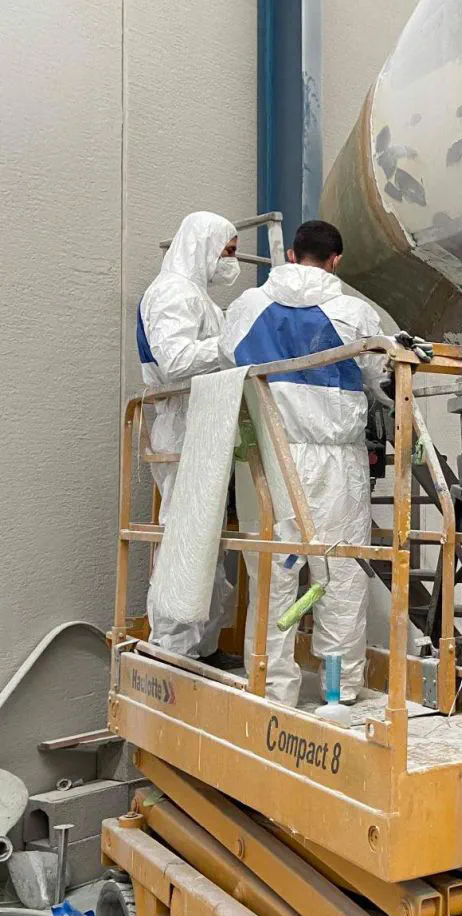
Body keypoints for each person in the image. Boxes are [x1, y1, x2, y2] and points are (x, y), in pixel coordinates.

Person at [220, 219, 390, 706]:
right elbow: (380, 379)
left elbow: (223, 360)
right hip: (335, 461)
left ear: (291, 255)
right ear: (336, 260)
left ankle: (274, 689)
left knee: (273, 575)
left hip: (266, 457)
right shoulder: (354, 314)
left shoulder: (248, 306)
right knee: (338, 573)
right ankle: (341, 689)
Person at [139, 211, 241, 663]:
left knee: (207, 543)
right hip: (182, 426)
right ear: (204, 244)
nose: (231, 262)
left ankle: (201, 646)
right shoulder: (171, 293)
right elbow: (176, 360)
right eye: (228, 251)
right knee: (185, 539)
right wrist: (235, 342)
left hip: (205, 423)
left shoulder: (198, 297)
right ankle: (173, 648)